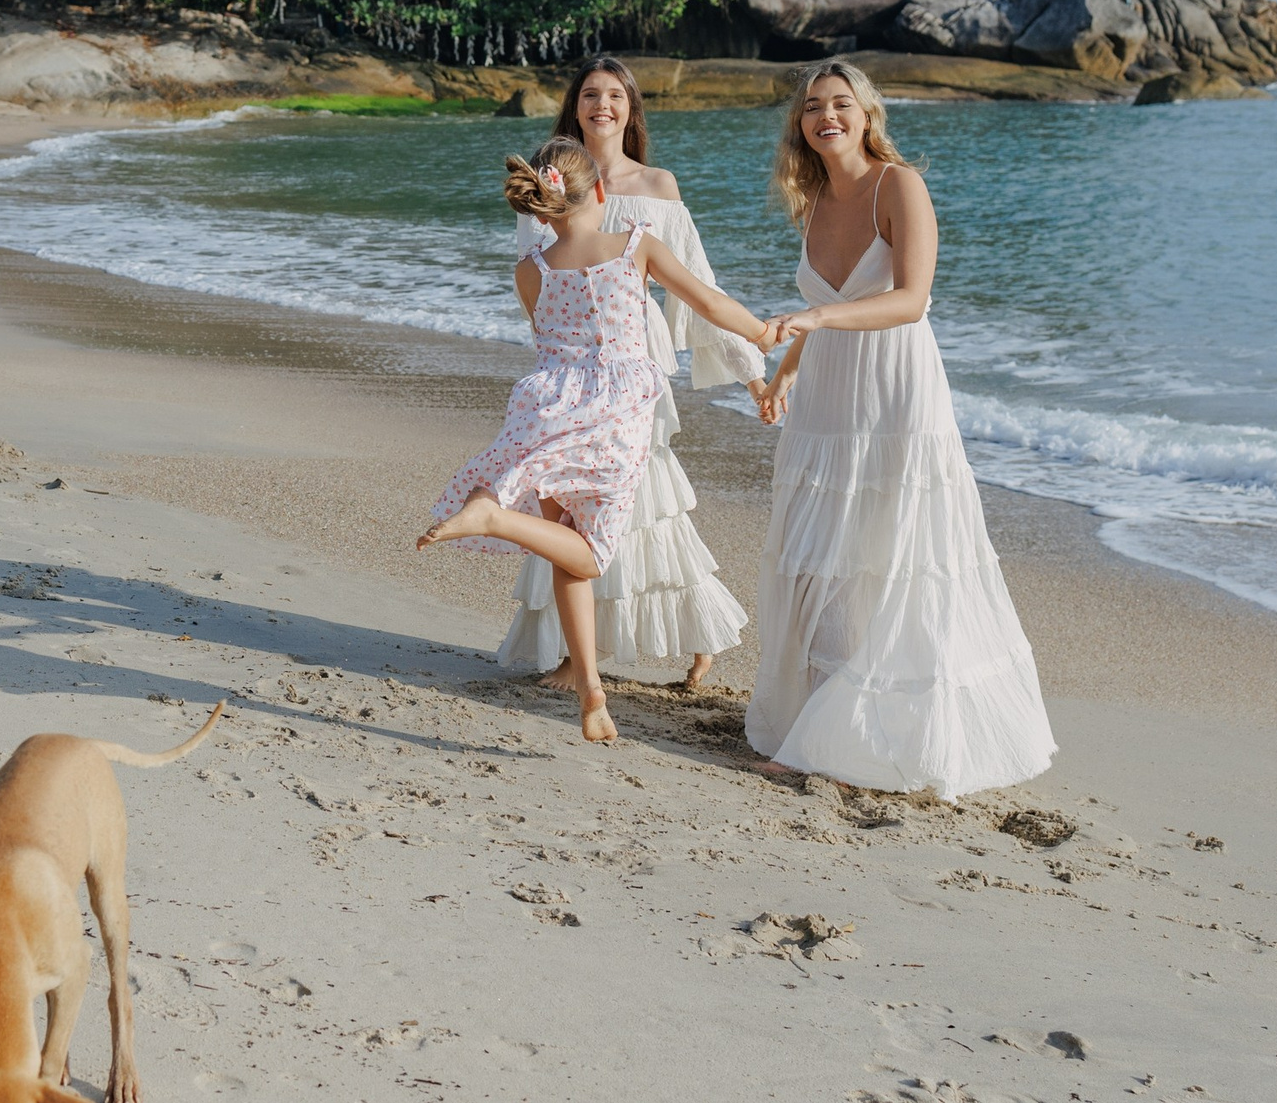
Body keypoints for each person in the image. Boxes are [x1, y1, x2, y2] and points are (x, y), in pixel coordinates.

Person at [747, 61, 1056, 797]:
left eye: (841, 104)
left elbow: (910, 300)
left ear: (867, 113)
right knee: (823, 556)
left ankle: (878, 730)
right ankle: (820, 723)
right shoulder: (814, 198)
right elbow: (824, 303)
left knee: (891, 554)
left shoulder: (899, 185)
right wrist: (788, 369)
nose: (827, 116)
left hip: (895, 394)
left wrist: (817, 318)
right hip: (827, 398)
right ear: (800, 123)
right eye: (814, 106)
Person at [422, 137, 776, 743]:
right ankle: (494, 518)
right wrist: (763, 335)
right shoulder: (636, 245)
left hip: (549, 403)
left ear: (540, 208)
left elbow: (549, 341)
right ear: (603, 194)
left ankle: (591, 691)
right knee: (588, 555)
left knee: (566, 549)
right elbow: (708, 302)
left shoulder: (528, 270)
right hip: (616, 410)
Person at [507, 57, 766, 693]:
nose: (603, 105)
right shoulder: (552, 180)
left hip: (635, 361)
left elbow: (699, 288)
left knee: (647, 498)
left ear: (631, 107)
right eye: (591, 94)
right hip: (572, 369)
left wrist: (753, 373)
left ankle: (694, 631)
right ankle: (579, 656)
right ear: (574, 105)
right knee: (573, 501)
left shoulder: (658, 185)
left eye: (615, 95)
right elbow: (535, 276)